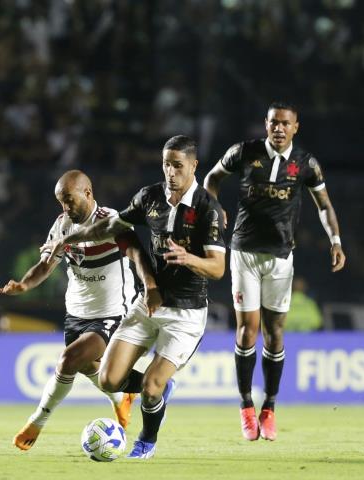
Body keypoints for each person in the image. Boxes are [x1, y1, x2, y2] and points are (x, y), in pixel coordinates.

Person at [43, 135, 226, 459]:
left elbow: (218, 268)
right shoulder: (150, 198)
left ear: (194, 166)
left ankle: (147, 441)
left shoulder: (207, 209)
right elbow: (109, 227)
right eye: (166, 164)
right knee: (109, 379)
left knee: (151, 387)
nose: (171, 172)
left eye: (178, 165)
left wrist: (189, 259)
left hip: (186, 313)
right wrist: (69, 238)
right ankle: (157, 392)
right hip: (148, 304)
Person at [204, 101, 346, 441]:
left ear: (296, 127)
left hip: (281, 257)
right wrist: (215, 207)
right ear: (265, 125)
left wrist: (336, 240)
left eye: (285, 123)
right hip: (244, 252)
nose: (278, 128)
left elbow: (324, 205)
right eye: (273, 123)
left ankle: (269, 406)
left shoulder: (305, 163)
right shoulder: (244, 152)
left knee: (275, 334)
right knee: (246, 332)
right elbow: (210, 179)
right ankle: (245, 406)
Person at [0, 169, 157, 451]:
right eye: (61, 202)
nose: (65, 207)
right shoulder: (62, 224)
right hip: (76, 314)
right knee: (87, 367)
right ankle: (124, 397)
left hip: (112, 313)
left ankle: (37, 421)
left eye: (69, 200)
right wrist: (23, 285)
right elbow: (46, 265)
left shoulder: (111, 221)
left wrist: (151, 288)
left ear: (87, 192)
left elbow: (136, 254)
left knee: (69, 360)